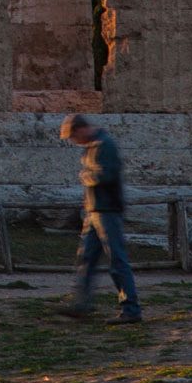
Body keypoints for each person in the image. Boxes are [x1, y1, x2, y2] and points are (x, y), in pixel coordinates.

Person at [59, 112, 143, 323]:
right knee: (86, 258)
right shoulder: (94, 146)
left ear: (81, 130)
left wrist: (85, 175)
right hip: (95, 210)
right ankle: (81, 304)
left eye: (73, 137)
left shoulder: (105, 145)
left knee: (117, 261)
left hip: (107, 211)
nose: (74, 142)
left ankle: (131, 309)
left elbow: (106, 175)